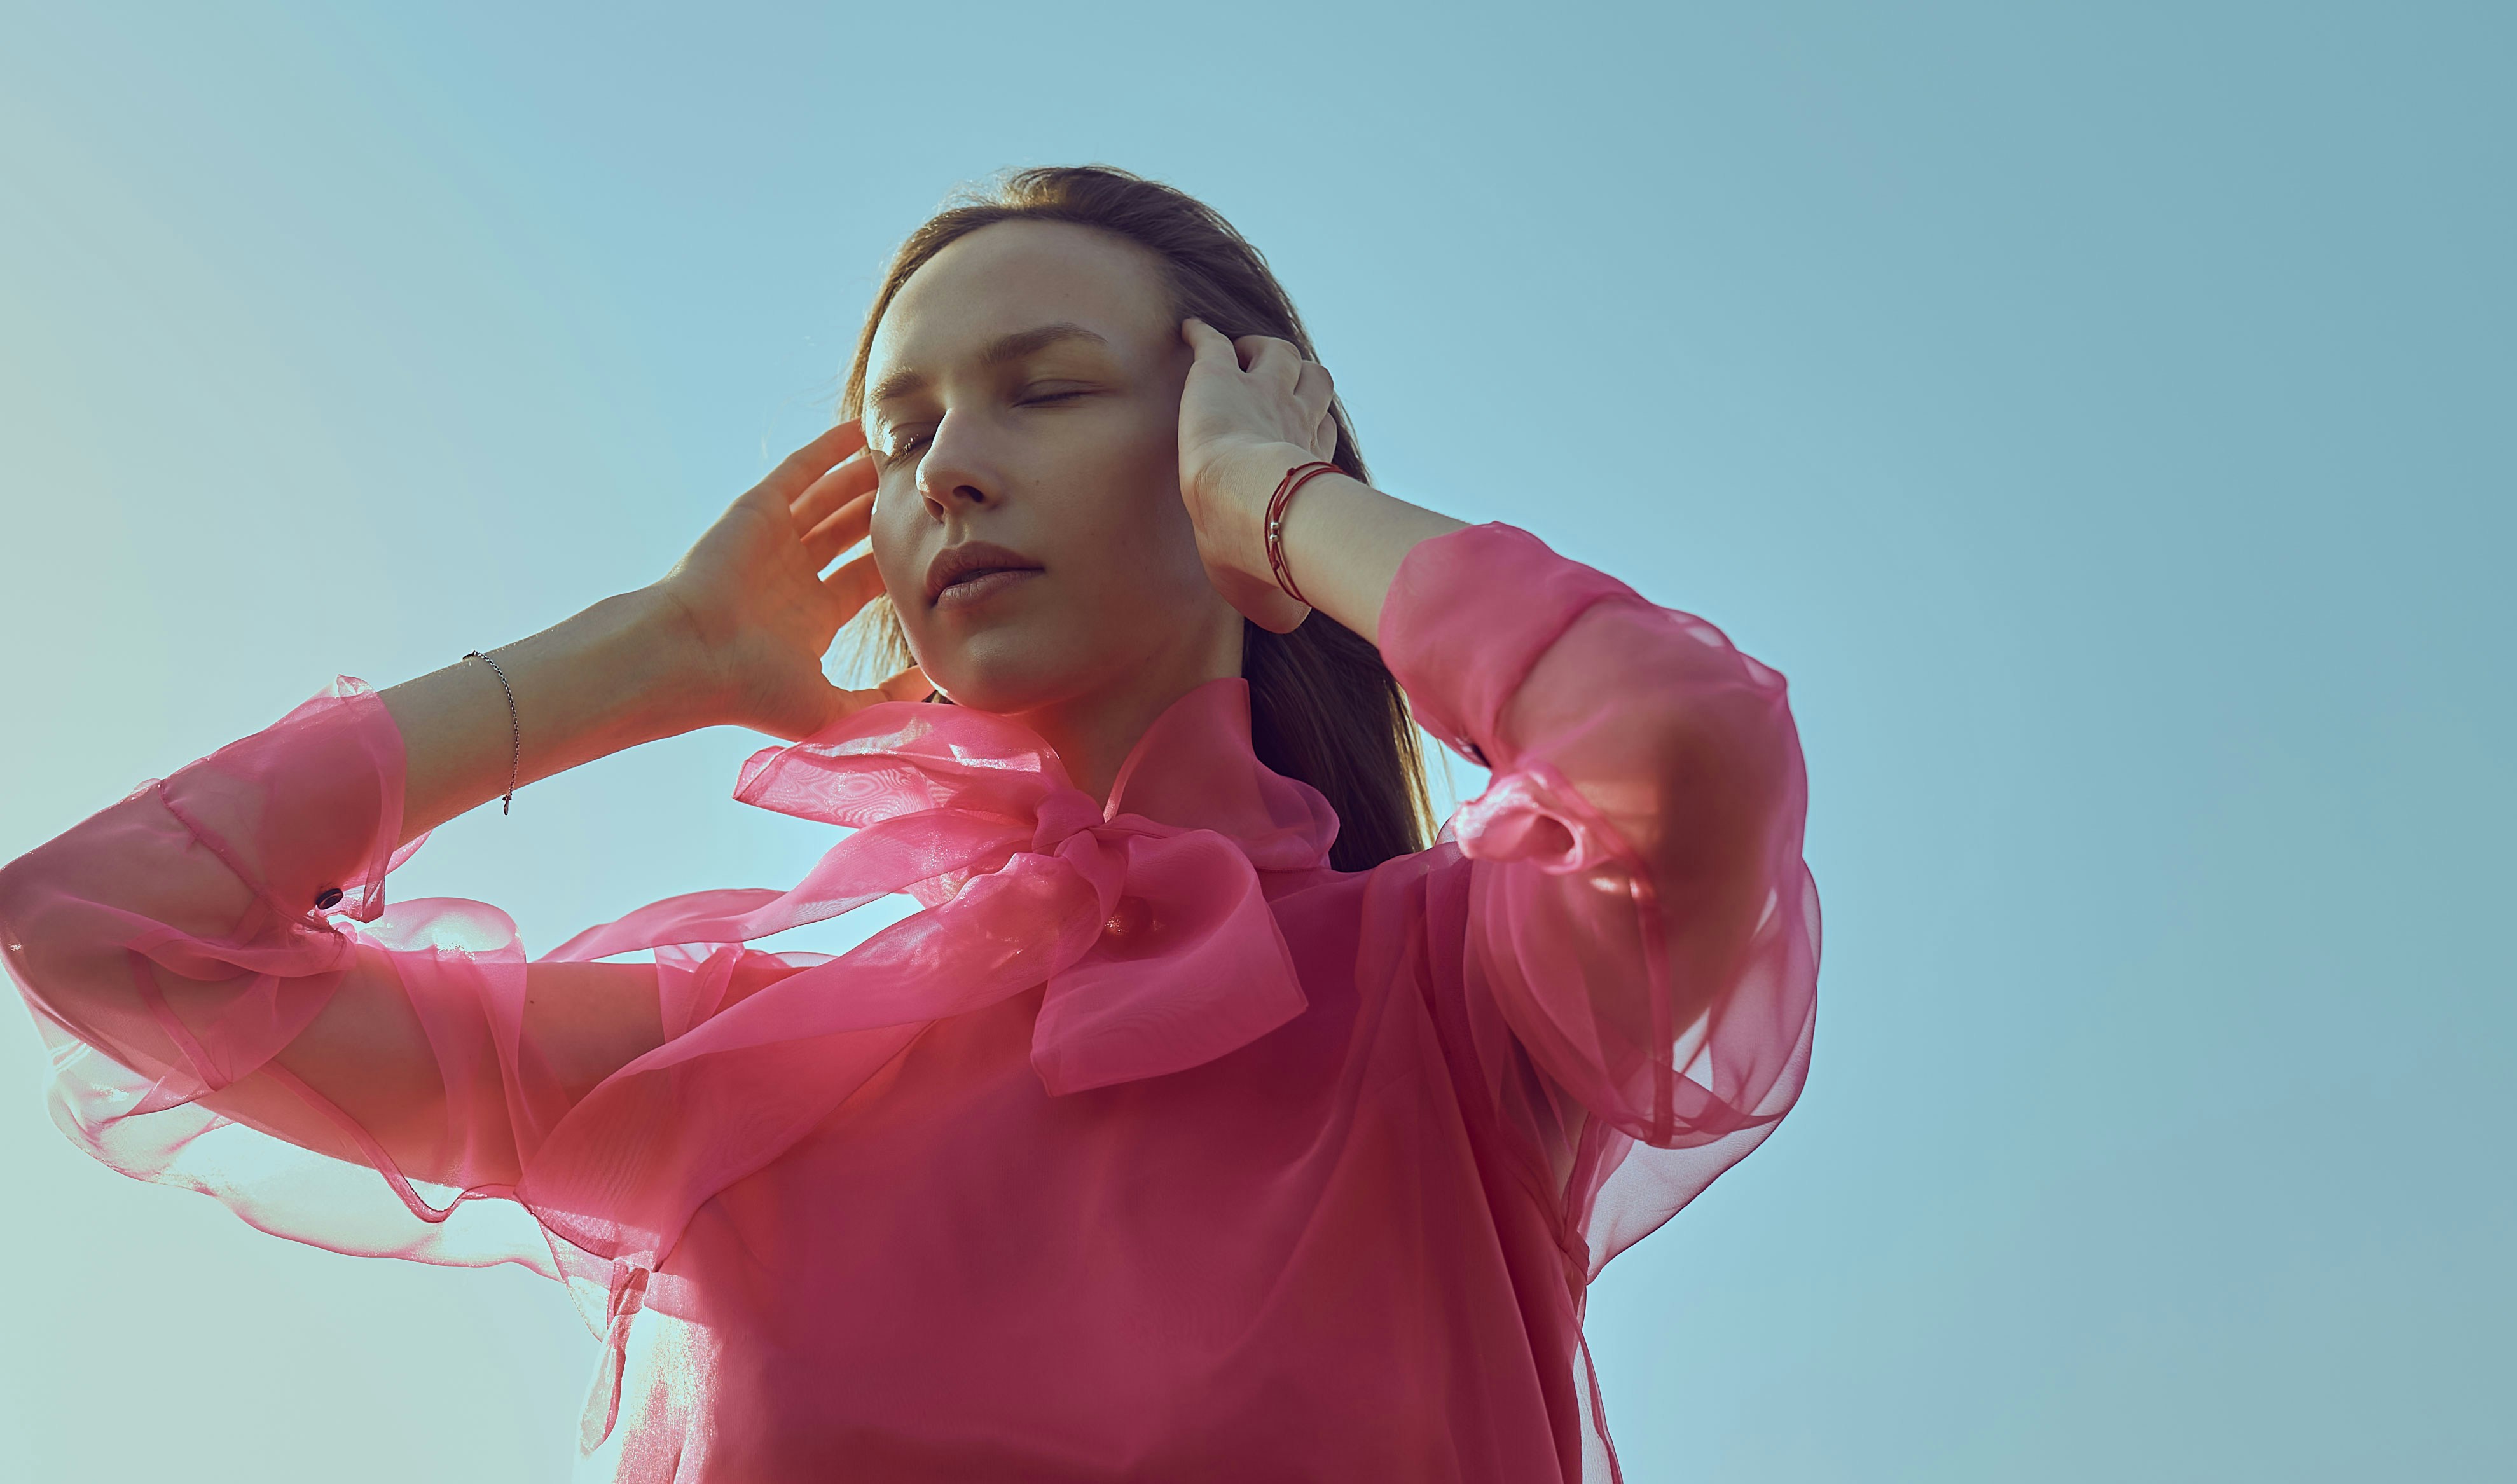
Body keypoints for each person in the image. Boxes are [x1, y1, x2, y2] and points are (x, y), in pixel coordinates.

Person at [0, 166, 1818, 1483]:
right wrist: (655, 651)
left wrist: (1283, 511)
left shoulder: (1458, 991)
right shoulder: (730, 1060)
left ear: (1217, 441)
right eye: (899, 431)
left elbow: (1675, 745)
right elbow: (108, 929)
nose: (943, 466)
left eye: (1048, 390)